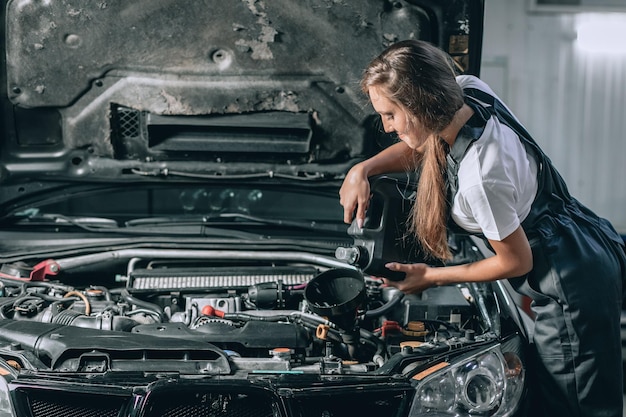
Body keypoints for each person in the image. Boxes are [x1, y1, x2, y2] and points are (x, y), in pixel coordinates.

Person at [339, 39, 626, 417]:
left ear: (421, 104)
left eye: (390, 114)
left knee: (572, 409)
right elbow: (423, 142)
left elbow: (516, 262)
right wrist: (363, 168)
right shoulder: (468, 91)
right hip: (580, 237)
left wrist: (432, 276)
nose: (387, 126)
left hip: (568, 280)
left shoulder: (480, 177)